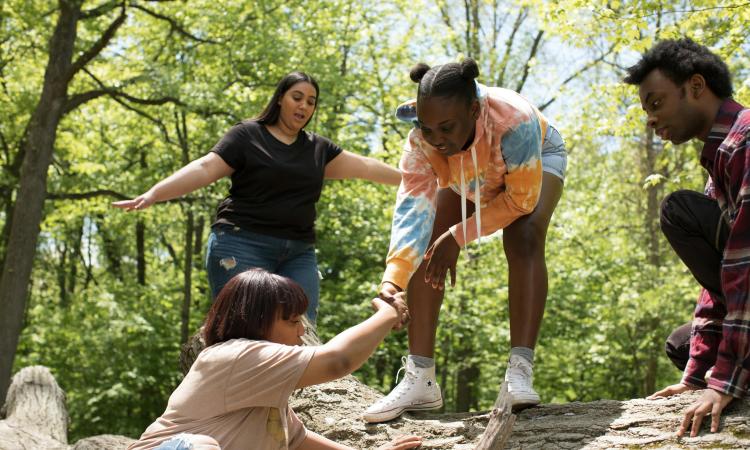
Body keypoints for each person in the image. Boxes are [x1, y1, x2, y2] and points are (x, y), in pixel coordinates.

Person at [363, 58, 567, 423]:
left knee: (523, 235)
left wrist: (459, 235)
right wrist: (391, 280)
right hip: (468, 171)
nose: (437, 138)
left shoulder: (514, 122)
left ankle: (519, 371)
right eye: (427, 128)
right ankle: (421, 378)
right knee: (427, 242)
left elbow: (520, 200)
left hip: (532, 157)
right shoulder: (424, 142)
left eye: (446, 127)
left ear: (473, 110)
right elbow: (412, 212)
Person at [113, 72, 401, 323]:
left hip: (298, 252)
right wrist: (153, 194)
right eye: (297, 97)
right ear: (280, 99)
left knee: (302, 330)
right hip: (241, 244)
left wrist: (417, 180)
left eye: (310, 101)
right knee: (244, 329)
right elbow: (204, 168)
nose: (303, 105)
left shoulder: (317, 149)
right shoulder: (247, 136)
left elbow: (365, 166)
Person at [128, 268, 420, 450]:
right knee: (199, 446)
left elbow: (296, 439)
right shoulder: (234, 356)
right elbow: (337, 361)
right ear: (257, 322)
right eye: (293, 321)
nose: (303, 330)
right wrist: (387, 313)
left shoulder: (265, 397)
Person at [624, 38, 750, 437]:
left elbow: (744, 268)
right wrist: (696, 377)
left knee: (677, 209)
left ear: (696, 87)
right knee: (683, 345)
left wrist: (724, 382)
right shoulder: (721, 158)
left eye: (656, 103)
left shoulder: (744, 143)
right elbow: (717, 276)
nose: (650, 119)